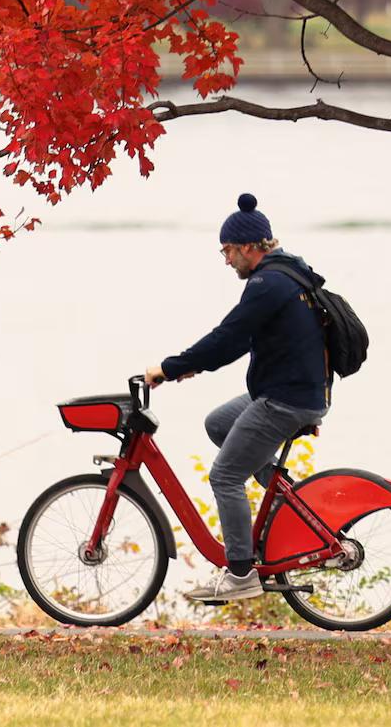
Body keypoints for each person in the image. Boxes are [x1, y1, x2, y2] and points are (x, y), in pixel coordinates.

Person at [144, 193, 329, 603]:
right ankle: (285, 502)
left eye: (227, 251)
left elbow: (230, 336)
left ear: (248, 247)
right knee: (219, 423)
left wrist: (170, 367)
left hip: (286, 400)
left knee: (225, 476)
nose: (227, 260)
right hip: (292, 392)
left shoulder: (268, 283)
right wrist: (196, 364)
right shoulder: (288, 273)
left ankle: (241, 573)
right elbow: (243, 339)